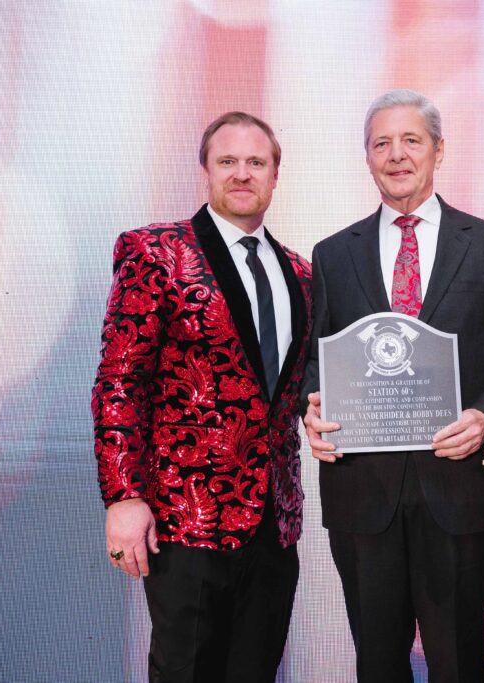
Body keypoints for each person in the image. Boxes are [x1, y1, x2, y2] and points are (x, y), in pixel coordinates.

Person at [302, 89, 484, 683]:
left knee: (457, 662)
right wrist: (313, 409)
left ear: (438, 150)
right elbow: (315, 361)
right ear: (367, 157)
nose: (396, 154)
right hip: (362, 489)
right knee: (377, 663)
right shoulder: (332, 254)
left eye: (411, 140)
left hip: (458, 488)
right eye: (382, 142)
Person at [91, 111, 311, 682]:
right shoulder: (155, 253)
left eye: (256, 162)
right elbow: (120, 381)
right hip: (185, 518)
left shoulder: (302, 274)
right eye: (228, 161)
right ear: (206, 172)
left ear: (274, 175)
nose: (242, 173)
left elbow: (298, 392)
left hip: (273, 523)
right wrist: (122, 497)